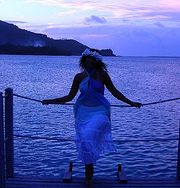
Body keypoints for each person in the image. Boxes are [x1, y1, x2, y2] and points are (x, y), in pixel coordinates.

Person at [42, 48, 141, 185]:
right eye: (87, 58)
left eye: (92, 58)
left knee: (88, 138)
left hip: (100, 111)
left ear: (97, 61)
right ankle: (89, 173)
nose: (89, 60)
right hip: (83, 113)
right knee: (85, 143)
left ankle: (89, 174)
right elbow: (70, 96)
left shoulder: (103, 75)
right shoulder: (78, 77)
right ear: (84, 60)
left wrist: (131, 102)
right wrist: (50, 101)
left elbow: (115, 92)